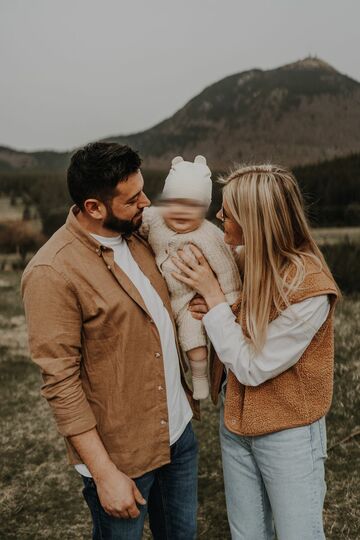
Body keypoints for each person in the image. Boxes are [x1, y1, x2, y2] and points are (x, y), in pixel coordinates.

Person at [21, 142, 199, 540]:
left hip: (178, 436)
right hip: (121, 458)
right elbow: (61, 385)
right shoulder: (52, 272)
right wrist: (104, 475)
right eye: (133, 198)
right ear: (94, 207)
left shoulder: (139, 236)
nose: (146, 203)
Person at [172, 164, 339, 540]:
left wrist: (215, 301)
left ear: (254, 220)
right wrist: (218, 305)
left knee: (299, 534)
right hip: (236, 420)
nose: (218, 216)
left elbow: (253, 365)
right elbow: (238, 321)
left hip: (288, 432)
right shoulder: (244, 261)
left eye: (227, 212)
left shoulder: (309, 289)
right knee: (246, 534)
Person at [140, 155, 241, 399]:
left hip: (189, 301)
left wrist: (231, 299)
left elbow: (227, 270)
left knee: (193, 340)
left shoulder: (209, 236)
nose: (182, 213)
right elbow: (136, 226)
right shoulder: (153, 219)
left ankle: (199, 378)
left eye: (192, 207)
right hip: (160, 295)